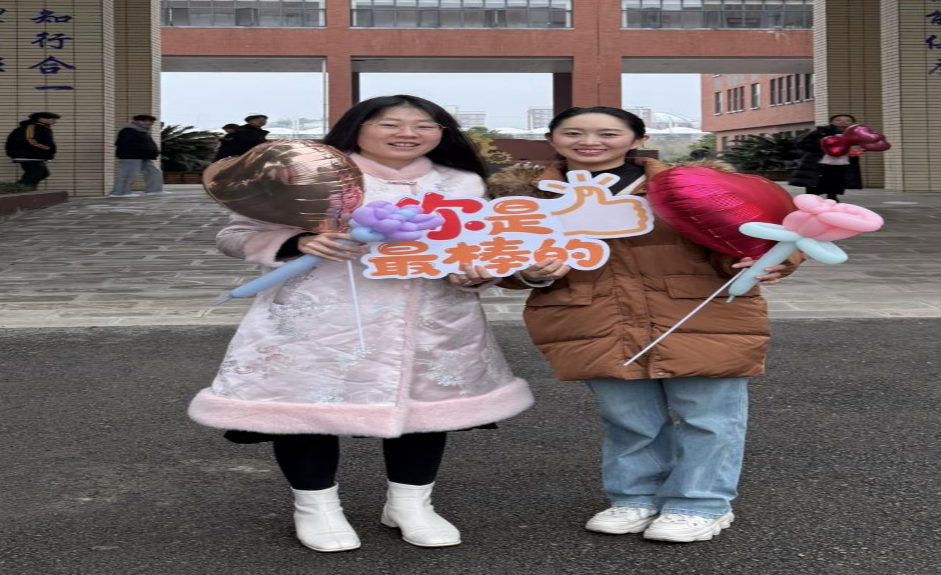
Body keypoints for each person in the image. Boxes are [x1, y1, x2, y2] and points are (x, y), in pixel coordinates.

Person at [189, 95, 531, 553]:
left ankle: (411, 505)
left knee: (427, 412)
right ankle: (316, 508)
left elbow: (476, 246)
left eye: (424, 125)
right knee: (302, 411)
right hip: (320, 317)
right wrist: (299, 242)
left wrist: (475, 274)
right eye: (390, 123)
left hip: (432, 317)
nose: (407, 133)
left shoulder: (462, 183)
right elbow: (234, 235)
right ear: (357, 128)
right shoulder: (310, 172)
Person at [485, 107, 795, 544]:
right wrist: (528, 273)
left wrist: (763, 262)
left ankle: (701, 504)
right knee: (629, 419)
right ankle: (634, 498)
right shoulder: (525, 198)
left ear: (638, 139)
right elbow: (498, 260)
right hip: (594, 318)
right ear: (552, 139)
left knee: (710, 417)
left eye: (607, 133)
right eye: (573, 133)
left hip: (698, 313)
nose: (589, 141)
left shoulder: (693, 185)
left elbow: (765, 233)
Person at [788, 113, 863, 202]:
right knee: (813, 188)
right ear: (831, 122)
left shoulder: (856, 135)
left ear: (853, 123)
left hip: (842, 164)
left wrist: (856, 150)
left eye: (848, 120)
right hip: (819, 164)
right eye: (838, 120)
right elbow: (802, 143)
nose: (843, 122)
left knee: (835, 188)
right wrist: (824, 149)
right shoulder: (821, 132)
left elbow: (865, 145)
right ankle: (810, 204)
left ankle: (832, 204)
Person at [109, 114, 165, 197]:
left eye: (150, 121)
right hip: (131, 156)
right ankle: (120, 192)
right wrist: (135, 151)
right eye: (144, 121)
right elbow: (122, 143)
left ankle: (154, 190)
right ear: (135, 121)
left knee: (154, 172)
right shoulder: (128, 130)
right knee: (127, 174)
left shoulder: (144, 131)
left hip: (144, 156)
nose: (148, 123)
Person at [4, 112, 59, 189]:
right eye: (52, 119)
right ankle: (17, 190)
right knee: (34, 174)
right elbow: (30, 141)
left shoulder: (42, 127)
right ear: (41, 119)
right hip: (28, 155)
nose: (54, 121)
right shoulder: (31, 127)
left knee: (42, 173)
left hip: (34, 156)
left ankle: (28, 189)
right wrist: (48, 149)